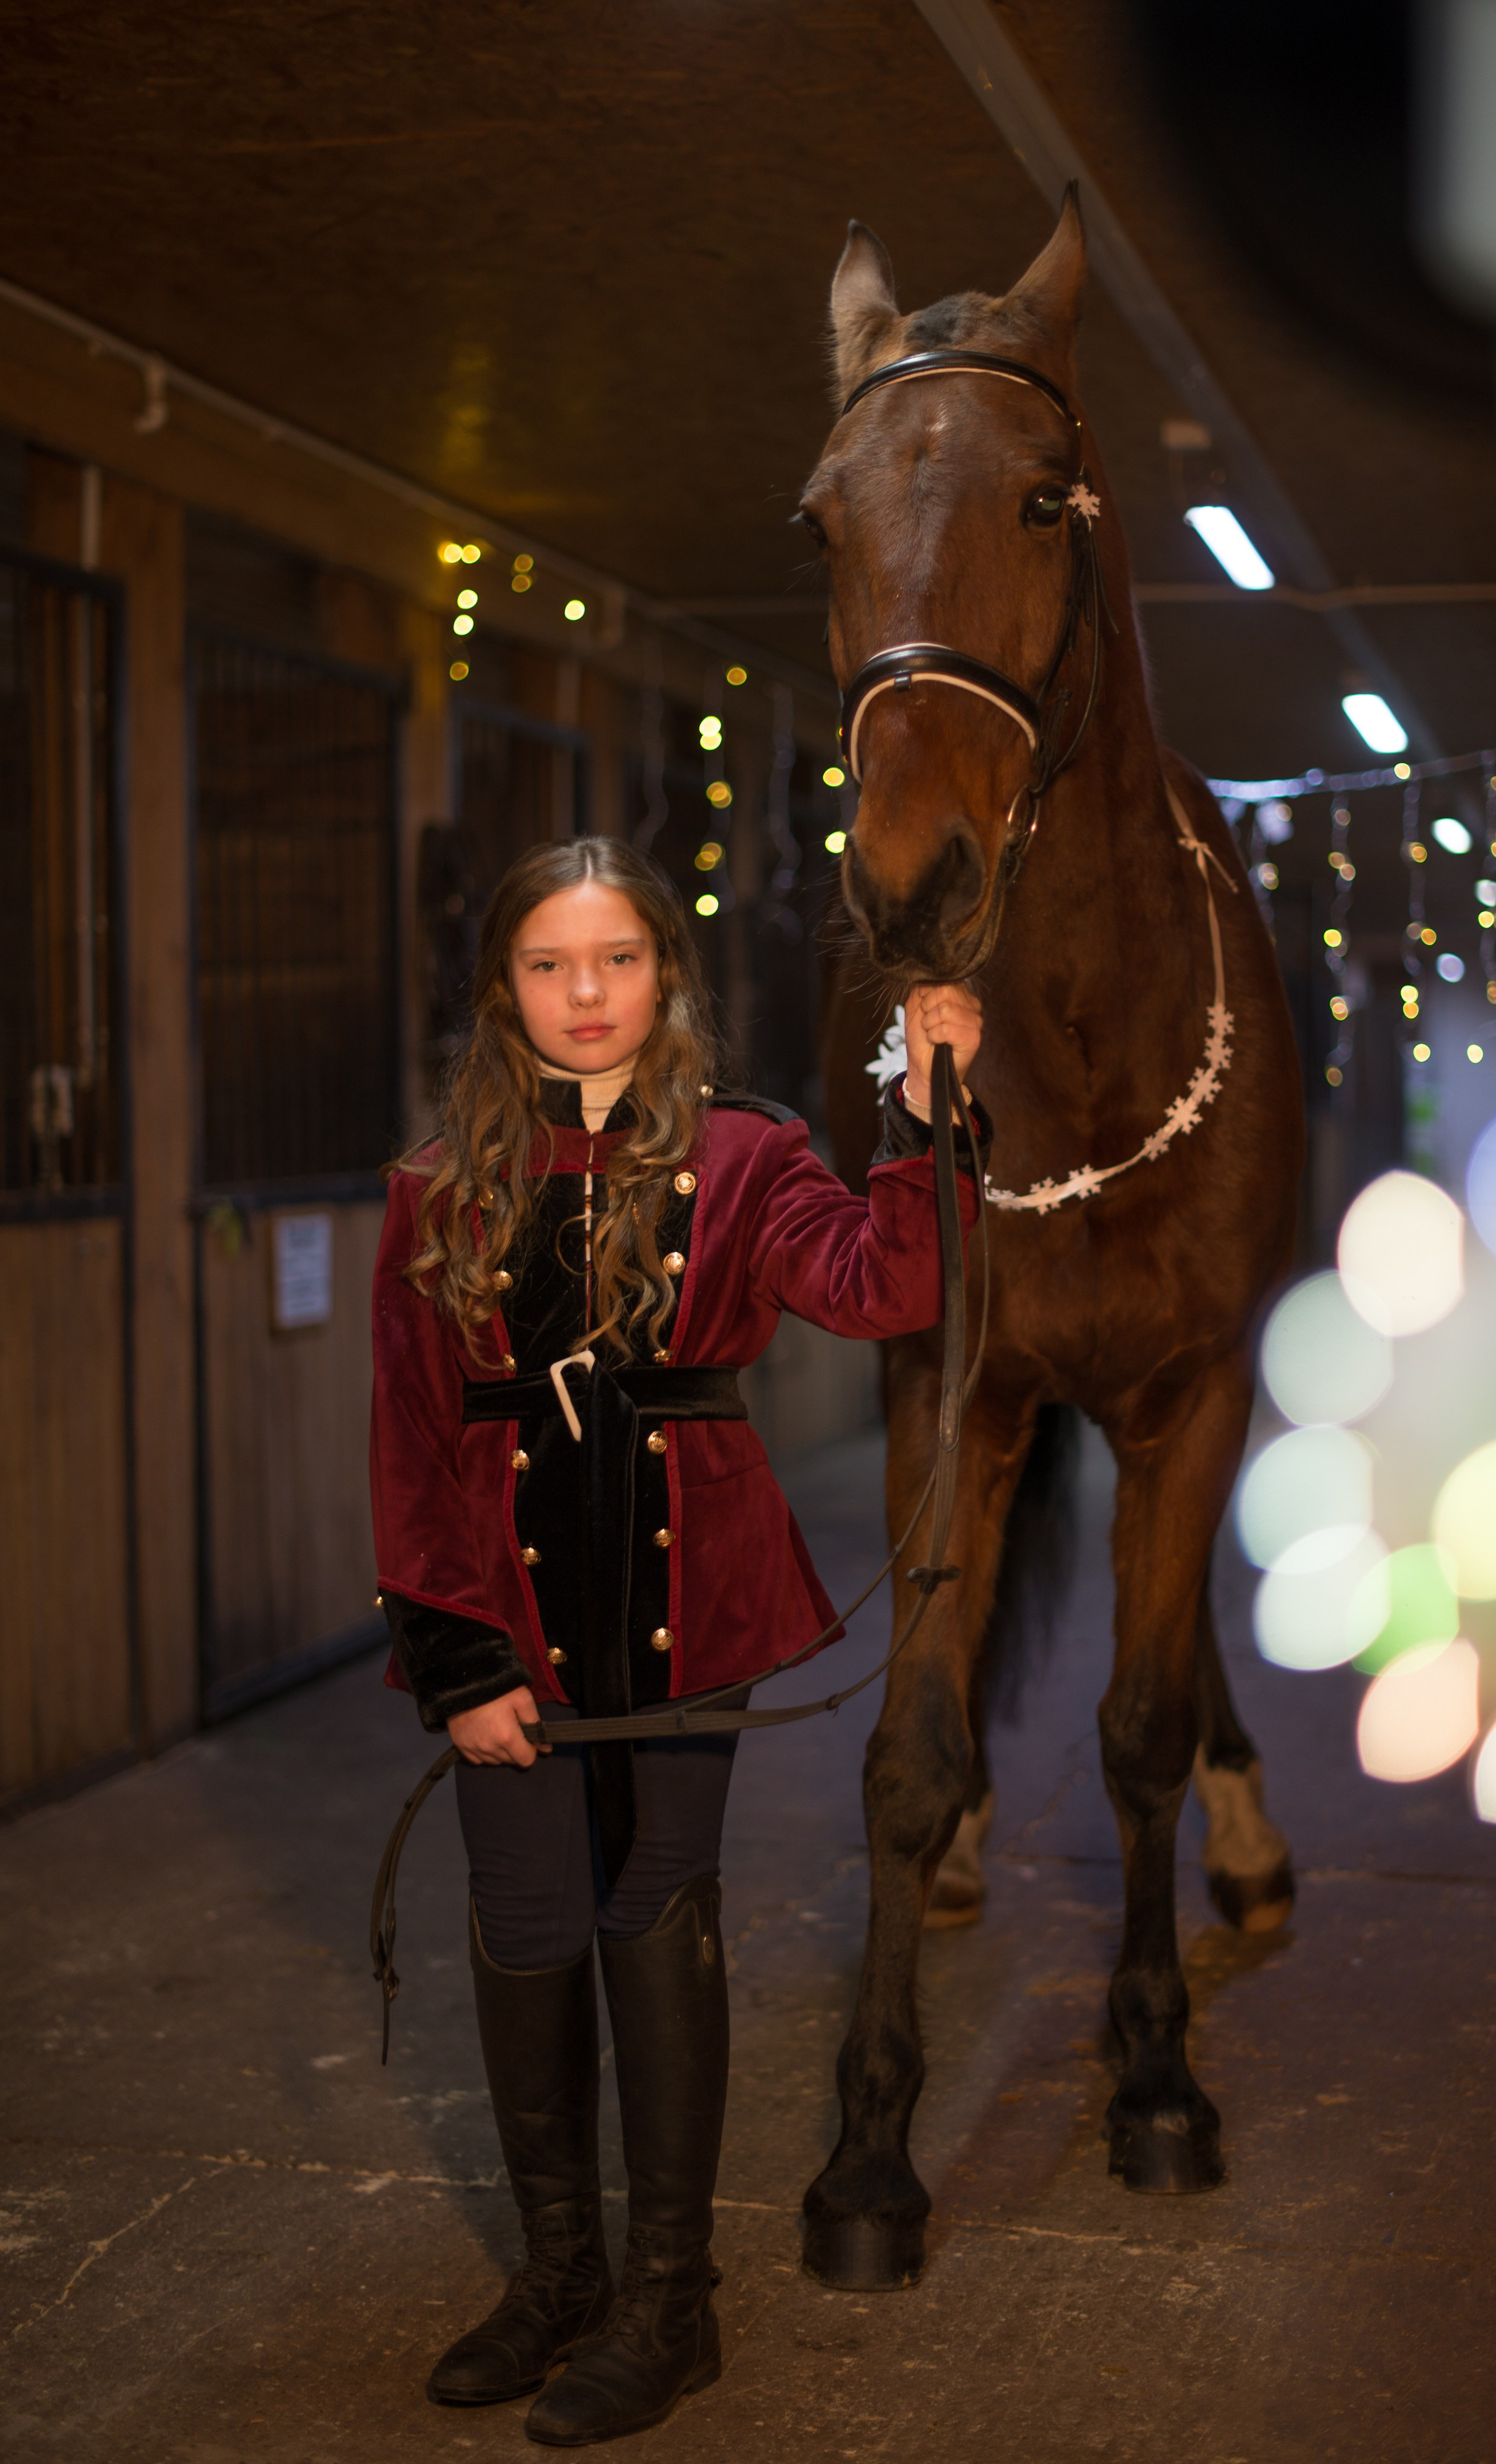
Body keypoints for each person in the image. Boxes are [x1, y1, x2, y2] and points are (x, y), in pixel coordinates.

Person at [370, 835, 985, 2447]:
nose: (587, 995)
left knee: (654, 1913)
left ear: (668, 974)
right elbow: (415, 1438)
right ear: (503, 988)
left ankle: (670, 2298)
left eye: (619, 959)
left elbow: (886, 1282)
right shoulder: (439, 1190)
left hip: (682, 1595)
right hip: (505, 1615)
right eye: (550, 964)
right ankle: (561, 2273)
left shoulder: (749, 1155)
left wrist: (919, 1117)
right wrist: (455, 1658)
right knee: (522, 1925)